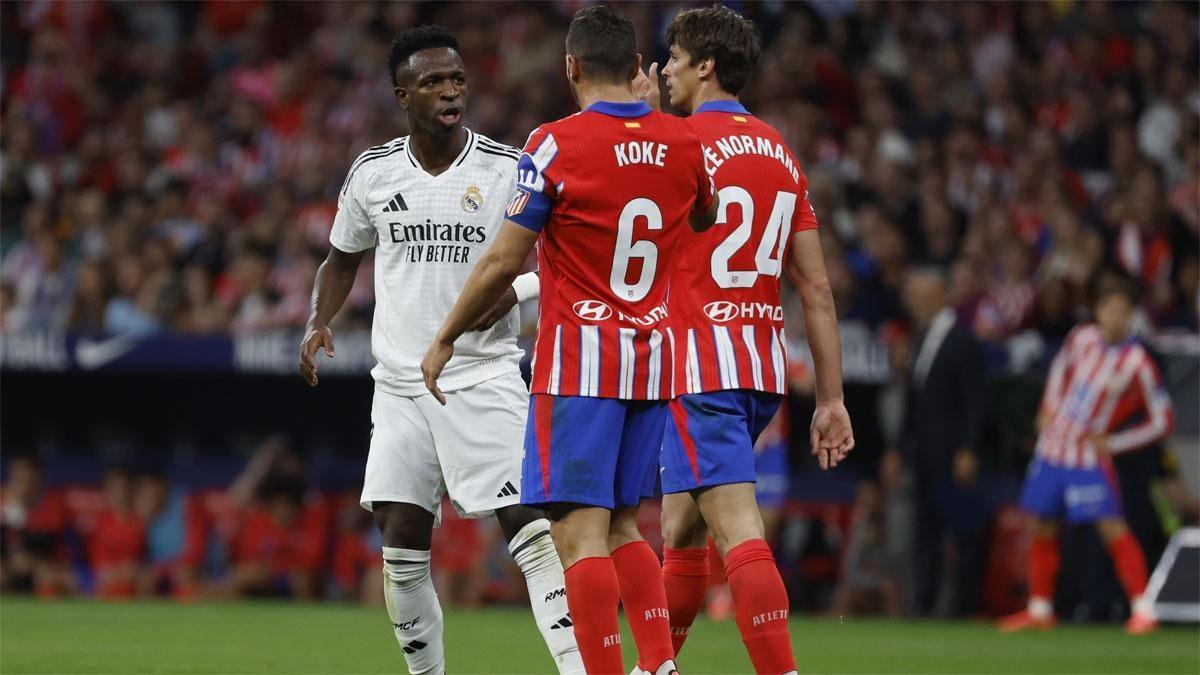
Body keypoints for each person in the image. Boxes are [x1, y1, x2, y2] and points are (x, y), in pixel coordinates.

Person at [422, 7, 717, 673]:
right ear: (638, 68)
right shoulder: (683, 141)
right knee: (622, 524)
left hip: (581, 365)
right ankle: (660, 664)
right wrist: (652, 128)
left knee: (576, 533)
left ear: (571, 67)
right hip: (652, 362)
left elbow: (504, 260)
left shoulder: (554, 144)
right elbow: (706, 214)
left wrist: (445, 335)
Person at [298, 25, 581, 674]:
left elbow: (567, 255)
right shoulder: (373, 173)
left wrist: (521, 290)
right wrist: (318, 319)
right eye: (432, 82)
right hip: (400, 385)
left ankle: (577, 667)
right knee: (400, 540)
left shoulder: (507, 167)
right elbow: (341, 259)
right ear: (403, 95)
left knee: (531, 526)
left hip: (483, 374)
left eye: (457, 79)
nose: (450, 91)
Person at [635, 7, 853, 673]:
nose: (665, 70)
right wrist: (831, 399)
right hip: (759, 368)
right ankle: (655, 667)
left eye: (675, 58)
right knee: (681, 529)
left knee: (738, 528)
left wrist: (639, 122)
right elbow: (815, 287)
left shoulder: (678, 142)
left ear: (705, 66)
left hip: (700, 366)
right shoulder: (781, 153)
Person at [1000, 273, 1174, 635]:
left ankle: (1142, 609)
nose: (1114, 317)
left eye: (1121, 311)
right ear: (1098, 311)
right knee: (1042, 523)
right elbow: (1059, 370)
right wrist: (1047, 407)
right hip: (1053, 448)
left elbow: (1162, 420)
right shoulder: (1081, 338)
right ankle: (1040, 608)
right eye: (1108, 309)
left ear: (1131, 316)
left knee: (1111, 527)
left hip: (1087, 456)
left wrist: (1116, 442)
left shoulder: (1137, 362)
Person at [896, 268, 989, 617]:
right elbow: (913, 401)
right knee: (925, 532)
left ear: (940, 295)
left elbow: (976, 401)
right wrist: (899, 448)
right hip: (924, 454)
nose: (913, 302)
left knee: (962, 531)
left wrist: (968, 449)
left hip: (952, 454)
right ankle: (923, 602)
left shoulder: (962, 341)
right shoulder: (920, 340)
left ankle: (965, 605)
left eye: (920, 295)